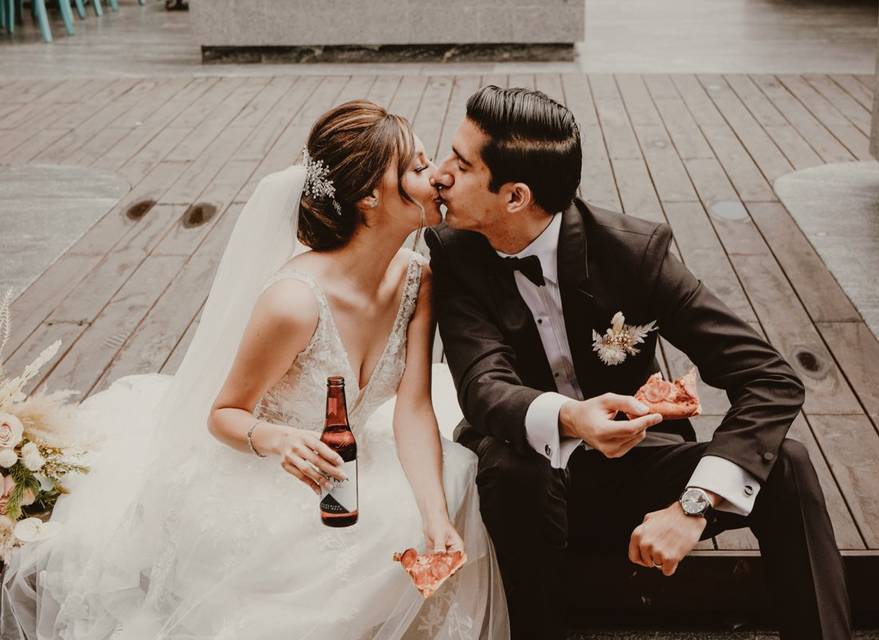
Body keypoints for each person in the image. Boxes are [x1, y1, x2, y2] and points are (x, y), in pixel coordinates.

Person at [0, 100, 508, 639]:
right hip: (269, 473)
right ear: (368, 197)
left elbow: (413, 407)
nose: (437, 179)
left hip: (355, 457)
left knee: (446, 490)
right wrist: (275, 439)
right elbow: (224, 412)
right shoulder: (295, 302)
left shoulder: (417, 277)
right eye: (417, 167)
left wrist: (434, 515)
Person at [426, 85, 853, 640]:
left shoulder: (632, 252)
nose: (439, 174)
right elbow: (484, 386)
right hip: (522, 481)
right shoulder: (454, 252)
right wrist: (573, 419)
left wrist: (693, 504)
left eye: (460, 166)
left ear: (515, 197)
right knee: (514, 471)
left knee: (789, 466)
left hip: (631, 472)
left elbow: (769, 377)